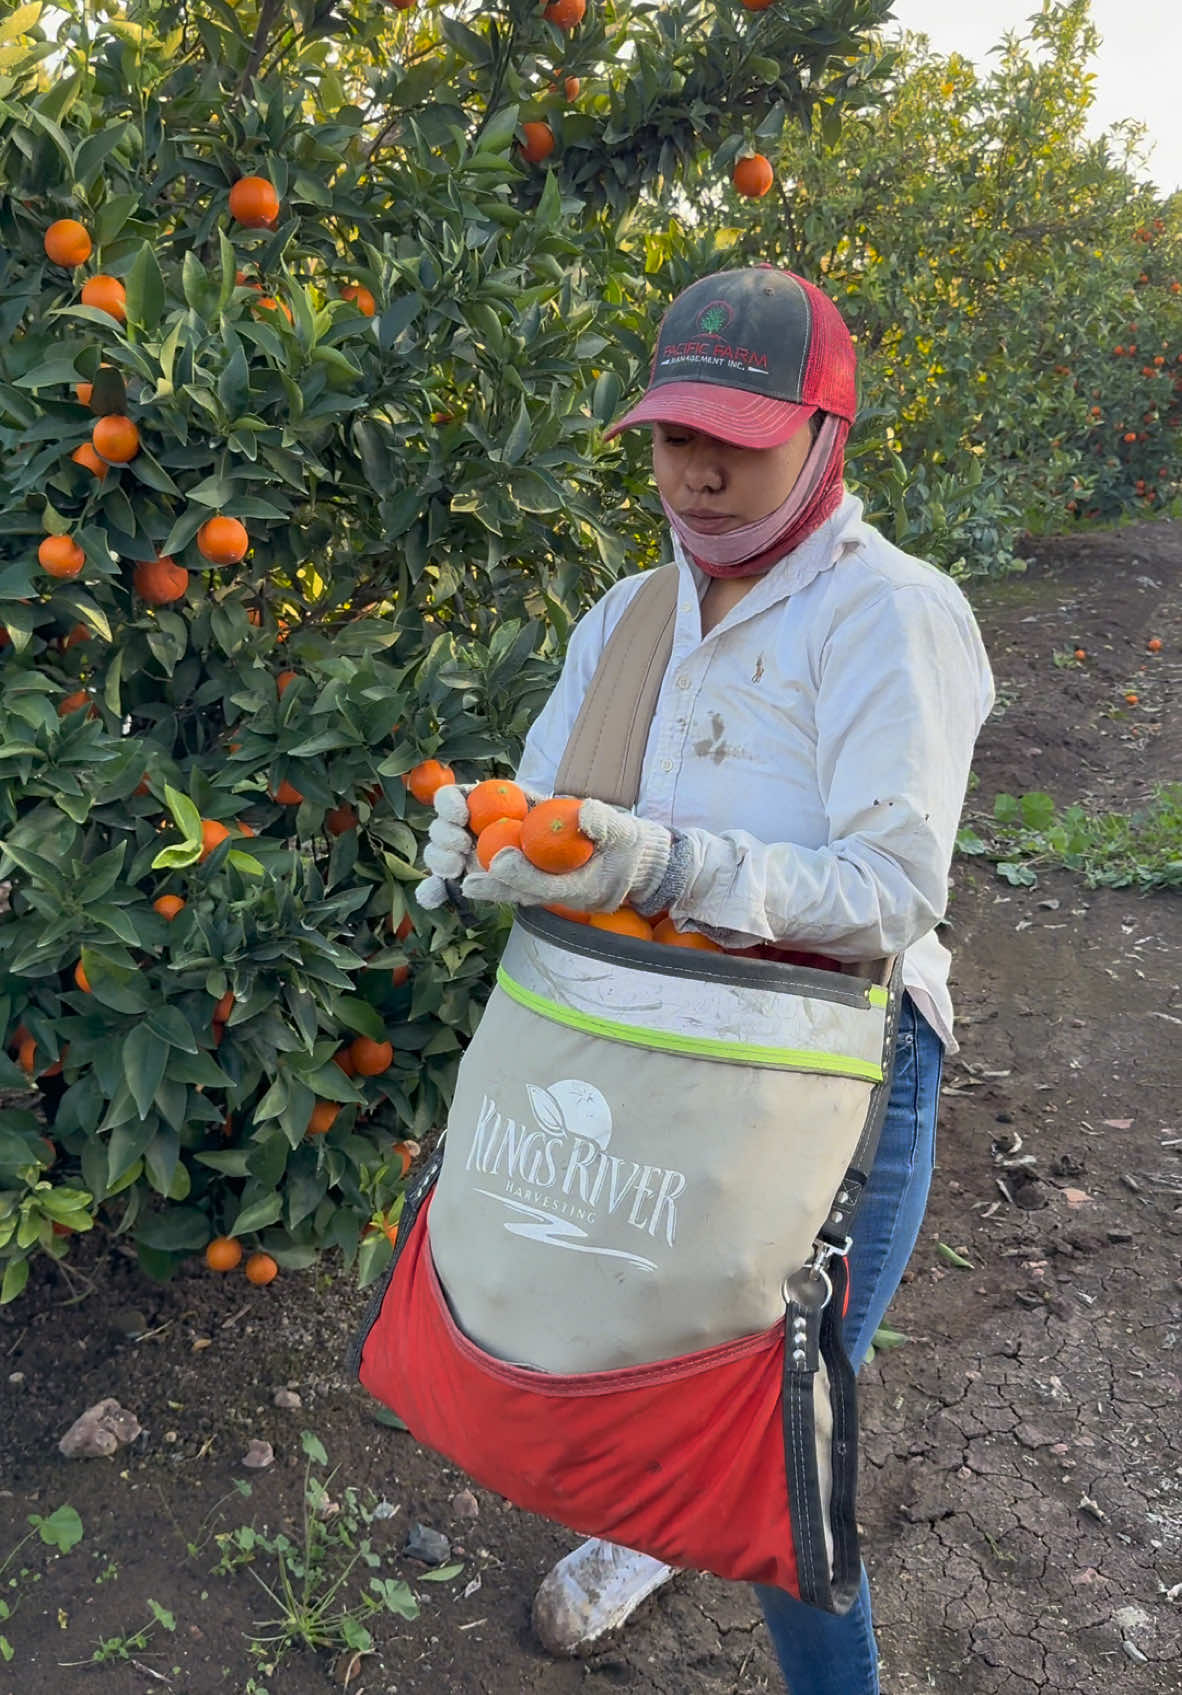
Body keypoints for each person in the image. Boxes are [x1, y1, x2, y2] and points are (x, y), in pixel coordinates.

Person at [418, 264, 994, 1695]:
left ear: (824, 432)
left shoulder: (886, 620)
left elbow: (885, 897)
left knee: (767, 1472)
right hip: (636, 1053)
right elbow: (565, 817)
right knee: (617, 1352)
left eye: (737, 437)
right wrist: (495, 841)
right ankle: (645, 1525)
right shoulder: (623, 616)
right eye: (675, 436)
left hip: (819, 1088)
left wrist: (664, 862)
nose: (698, 471)